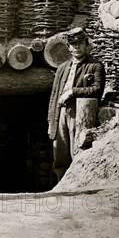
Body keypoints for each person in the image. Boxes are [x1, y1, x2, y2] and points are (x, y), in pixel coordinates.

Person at [47, 27, 106, 182]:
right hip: (61, 112)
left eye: (80, 43)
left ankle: (77, 184)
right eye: (73, 44)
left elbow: (97, 89)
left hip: (79, 112)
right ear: (68, 47)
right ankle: (61, 185)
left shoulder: (95, 66)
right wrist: (50, 120)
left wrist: (73, 92)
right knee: (59, 153)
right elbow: (54, 95)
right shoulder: (62, 68)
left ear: (86, 45)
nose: (76, 47)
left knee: (76, 150)